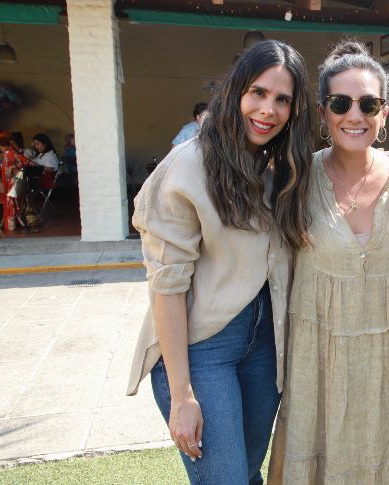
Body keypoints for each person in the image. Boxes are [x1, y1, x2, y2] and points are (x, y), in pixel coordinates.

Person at [126, 39, 313, 485]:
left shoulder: (278, 170)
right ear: (235, 93)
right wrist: (182, 394)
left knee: (246, 474)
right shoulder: (187, 168)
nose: (268, 109)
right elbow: (166, 287)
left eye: (282, 99)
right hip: (202, 350)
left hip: (263, 346)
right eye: (258, 93)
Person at [268, 40, 389, 484]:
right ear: (322, 112)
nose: (355, 115)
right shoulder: (294, 177)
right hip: (315, 369)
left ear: (384, 111)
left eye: (368, 103)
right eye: (341, 103)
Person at [0, 130, 31, 233]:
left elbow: (27, 163)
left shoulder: (8, 152)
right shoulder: (9, 151)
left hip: (11, 188)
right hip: (12, 186)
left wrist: (13, 168)